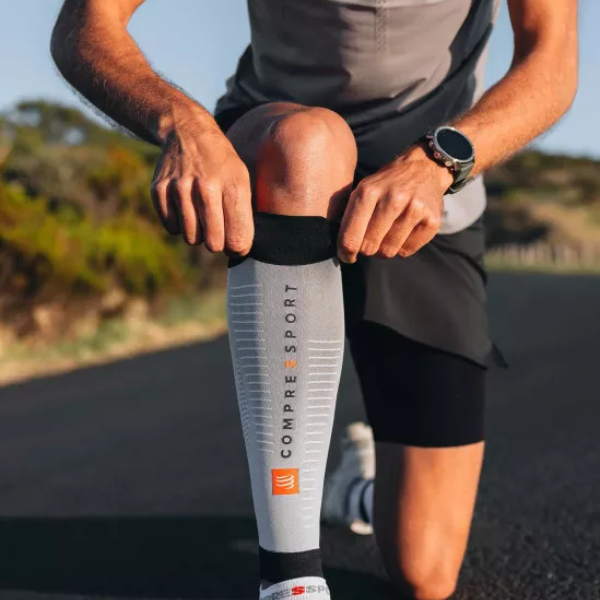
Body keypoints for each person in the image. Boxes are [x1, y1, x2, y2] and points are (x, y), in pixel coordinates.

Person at [50, 1, 578, 598]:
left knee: (426, 572)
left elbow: (551, 62)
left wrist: (438, 162)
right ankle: (289, 577)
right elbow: (85, 24)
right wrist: (183, 124)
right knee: (309, 143)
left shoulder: (436, 170)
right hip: (279, 152)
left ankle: (353, 489)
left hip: (428, 184)